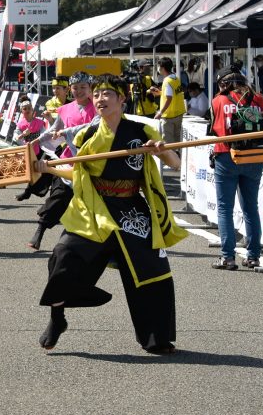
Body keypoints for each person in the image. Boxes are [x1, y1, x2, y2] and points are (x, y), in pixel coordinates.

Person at [37, 74, 185, 354]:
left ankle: (156, 338)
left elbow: (175, 163)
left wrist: (162, 152)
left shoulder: (142, 131)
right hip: (96, 209)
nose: (100, 99)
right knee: (62, 255)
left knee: (152, 272)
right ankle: (57, 318)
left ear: (122, 98)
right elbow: (79, 173)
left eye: (107, 94)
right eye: (96, 95)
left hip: (131, 210)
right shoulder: (87, 135)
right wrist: (51, 169)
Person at [30, 72, 97, 250]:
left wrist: (67, 132)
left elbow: (93, 126)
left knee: (90, 204)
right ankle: (40, 230)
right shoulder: (65, 109)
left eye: (83, 87)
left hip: (92, 160)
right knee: (59, 195)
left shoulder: (98, 107)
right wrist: (37, 140)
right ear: (70, 90)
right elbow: (55, 128)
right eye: (75, 88)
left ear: (90, 89)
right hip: (69, 159)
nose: (79, 91)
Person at [209, 68, 263, 270]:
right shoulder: (258, 99)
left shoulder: (219, 100)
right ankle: (253, 256)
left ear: (224, 84)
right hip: (254, 156)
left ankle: (228, 257)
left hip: (226, 155)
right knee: (251, 207)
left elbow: (214, 129)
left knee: (225, 207)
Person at [152, 58, 185, 148]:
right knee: (177, 142)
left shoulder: (167, 81)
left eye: (159, 66)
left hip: (169, 116)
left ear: (162, 68)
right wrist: (159, 92)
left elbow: (169, 98)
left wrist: (160, 112)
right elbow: (172, 94)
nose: (158, 68)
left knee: (168, 144)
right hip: (178, 113)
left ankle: (172, 157)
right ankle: (177, 156)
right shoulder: (175, 78)